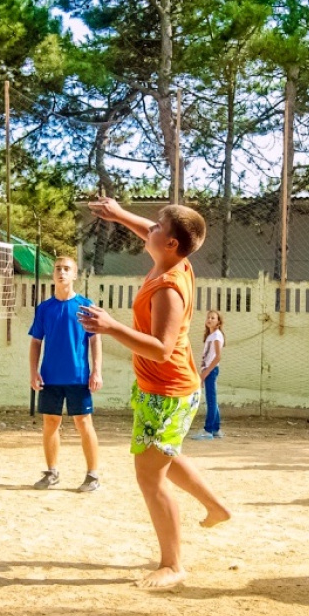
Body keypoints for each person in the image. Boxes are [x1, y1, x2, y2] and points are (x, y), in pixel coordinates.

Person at [78, 197, 231, 590]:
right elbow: (149, 230)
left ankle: (173, 564)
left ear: (173, 244)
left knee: (150, 477)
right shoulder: (175, 258)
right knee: (164, 456)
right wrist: (118, 214)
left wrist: (109, 327)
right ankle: (215, 506)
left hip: (167, 391)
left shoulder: (169, 289)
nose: (150, 229)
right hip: (160, 389)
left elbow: (161, 349)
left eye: (158, 227)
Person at [28, 256, 104, 492]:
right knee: (50, 422)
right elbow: (35, 343)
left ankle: (92, 476)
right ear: (54, 275)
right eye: (58, 269)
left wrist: (96, 371)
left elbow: (95, 340)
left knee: (83, 423)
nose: (62, 272)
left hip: (78, 377)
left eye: (67, 269)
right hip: (50, 377)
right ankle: (52, 473)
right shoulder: (44, 308)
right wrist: (34, 372)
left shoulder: (84, 306)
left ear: (74, 275)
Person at [192, 310, 225, 440]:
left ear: (218, 322)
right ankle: (216, 429)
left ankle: (208, 430)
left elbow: (217, 357)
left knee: (211, 400)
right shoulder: (211, 336)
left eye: (213, 318)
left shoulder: (216, 335)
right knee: (213, 400)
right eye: (208, 317)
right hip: (208, 369)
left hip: (211, 370)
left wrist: (206, 372)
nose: (210, 319)